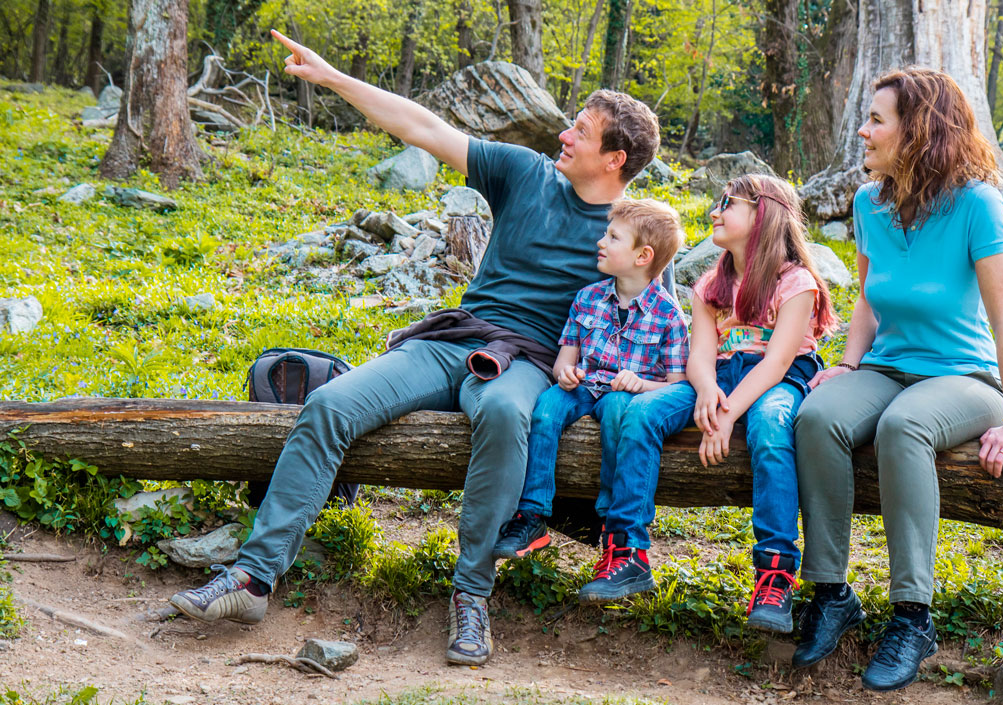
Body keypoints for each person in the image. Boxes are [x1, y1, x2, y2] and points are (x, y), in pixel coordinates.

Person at [169, 28, 666, 668]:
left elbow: (651, 330)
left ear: (614, 159)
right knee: (331, 404)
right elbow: (423, 128)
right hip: (455, 338)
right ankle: (251, 579)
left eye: (580, 130)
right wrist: (334, 79)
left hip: (531, 362)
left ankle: (471, 595)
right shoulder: (525, 174)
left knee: (507, 415)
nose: (563, 136)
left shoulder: (638, 232)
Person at [792, 67, 1003, 691]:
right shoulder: (868, 203)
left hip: (964, 377)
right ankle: (830, 592)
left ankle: (912, 616)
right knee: (817, 418)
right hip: (886, 366)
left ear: (919, 130)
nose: (864, 131)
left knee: (904, 427)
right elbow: (869, 302)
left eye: (877, 119)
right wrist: (846, 365)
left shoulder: (977, 203)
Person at [597, 174, 837, 623]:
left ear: (762, 212)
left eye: (728, 203)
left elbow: (776, 364)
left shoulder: (796, 282)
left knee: (769, 428)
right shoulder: (710, 285)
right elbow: (701, 355)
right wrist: (707, 390)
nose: (715, 211)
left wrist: (725, 417)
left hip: (776, 379)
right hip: (720, 375)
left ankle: (774, 577)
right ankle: (628, 551)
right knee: (643, 411)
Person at [492, 199, 688, 604]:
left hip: (621, 393)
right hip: (585, 385)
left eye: (612, 236)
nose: (600, 241)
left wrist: (640, 384)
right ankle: (532, 514)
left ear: (642, 256)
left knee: (618, 413)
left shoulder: (669, 316)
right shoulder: (586, 298)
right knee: (546, 409)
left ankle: (608, 520)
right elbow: (567, 355)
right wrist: (566, 372)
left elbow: (676, 383)